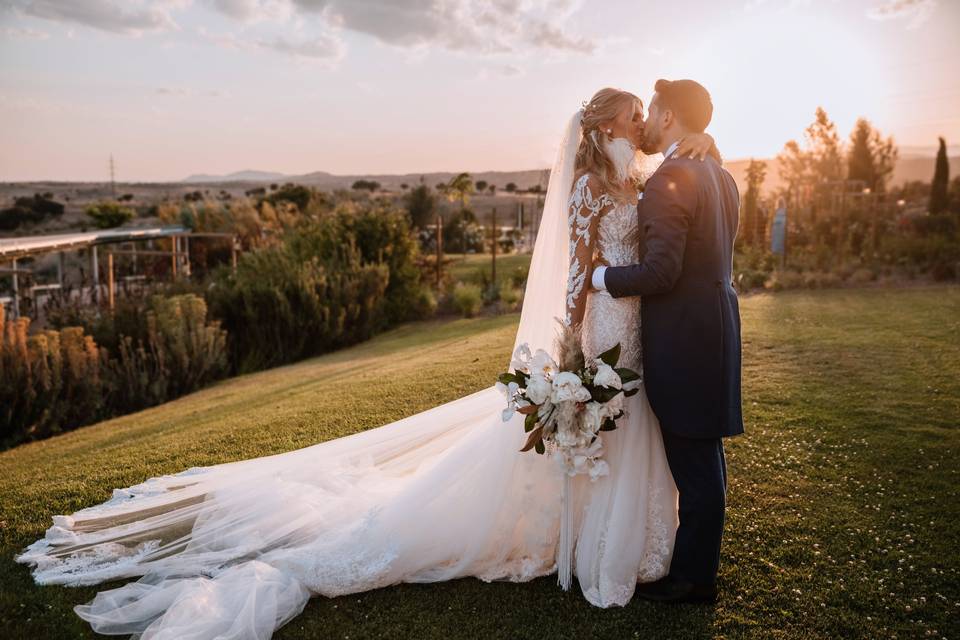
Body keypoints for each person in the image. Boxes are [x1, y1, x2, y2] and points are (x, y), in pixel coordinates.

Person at [16, 88, 717, 640]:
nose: (640, 128)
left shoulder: (640, 179)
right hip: (602, 326)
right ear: (604, 129)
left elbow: (662, 204)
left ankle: (620, 541)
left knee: (625, 430)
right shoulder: (592, 188)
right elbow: (578, 270)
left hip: (633, 326)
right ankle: (599, 544)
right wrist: (574, 339)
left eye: (641, 118)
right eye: (631, 119)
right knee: (602, 427)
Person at [592, 79, 744, 603]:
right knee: (705, 457)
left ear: (670, 116)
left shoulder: (668, 180)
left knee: (695, 464)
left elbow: (660, 273)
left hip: (685, 340)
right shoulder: (720, 174)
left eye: (653, 112)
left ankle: (693, 581)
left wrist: (600, 280)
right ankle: (695, 568)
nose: (647, 123)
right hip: (716, 330)